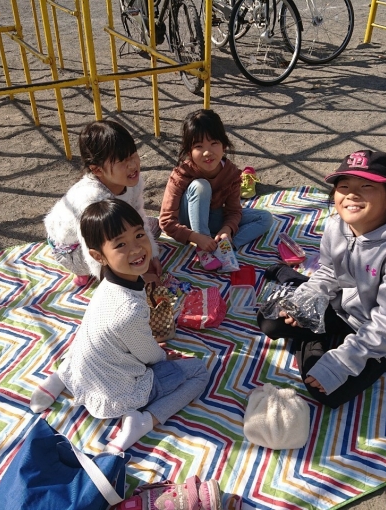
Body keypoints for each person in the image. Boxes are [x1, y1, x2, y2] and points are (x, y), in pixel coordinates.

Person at [257, 150, 386, 409]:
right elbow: (329, 272)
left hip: (384, 338)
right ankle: (306, 310)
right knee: (268, 320)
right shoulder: (336, 225)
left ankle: (312, 333)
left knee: (326, 392)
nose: (352, 195)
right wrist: (304, 302)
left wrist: (340, 363)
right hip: (342, 309)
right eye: (343, 186)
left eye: (366, 187)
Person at [30, 199, 210, 452]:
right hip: (115, 392)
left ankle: (63, 376)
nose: (136, 249)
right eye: (121, 244)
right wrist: (163, 356)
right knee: (199, 371)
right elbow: (149, 356)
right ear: (98, 256)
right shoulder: (130, 310)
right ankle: (144, 421)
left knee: (89, 337)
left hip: (83, 369)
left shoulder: (108, 283)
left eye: (139, 235)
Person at [44, 120, 161, 286]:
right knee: (120, 250)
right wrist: (136, 281)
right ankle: (82, 272)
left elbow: (139, 216)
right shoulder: (92, 201)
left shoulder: (131, 182)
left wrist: (152, 256)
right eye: (122, 161)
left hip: (107, 232)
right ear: (97, 170)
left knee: (152, 226)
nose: (133, 165)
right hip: (73, 252)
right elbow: (91, 252)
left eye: (133, 154)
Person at [159, 109, 273, 270]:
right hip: (188, 221)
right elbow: (166, 221)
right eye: (199, 146)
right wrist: (197, 237)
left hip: (214, 217)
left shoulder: (232, 174)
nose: (207, 152)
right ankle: (204, 248)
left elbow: (234, 211)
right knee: (201, 186)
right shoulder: (181, 174)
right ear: (189, 152)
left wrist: (227, 229)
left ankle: (223, 247)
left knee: (265, 218)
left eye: (214, 143)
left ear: (224, 145)